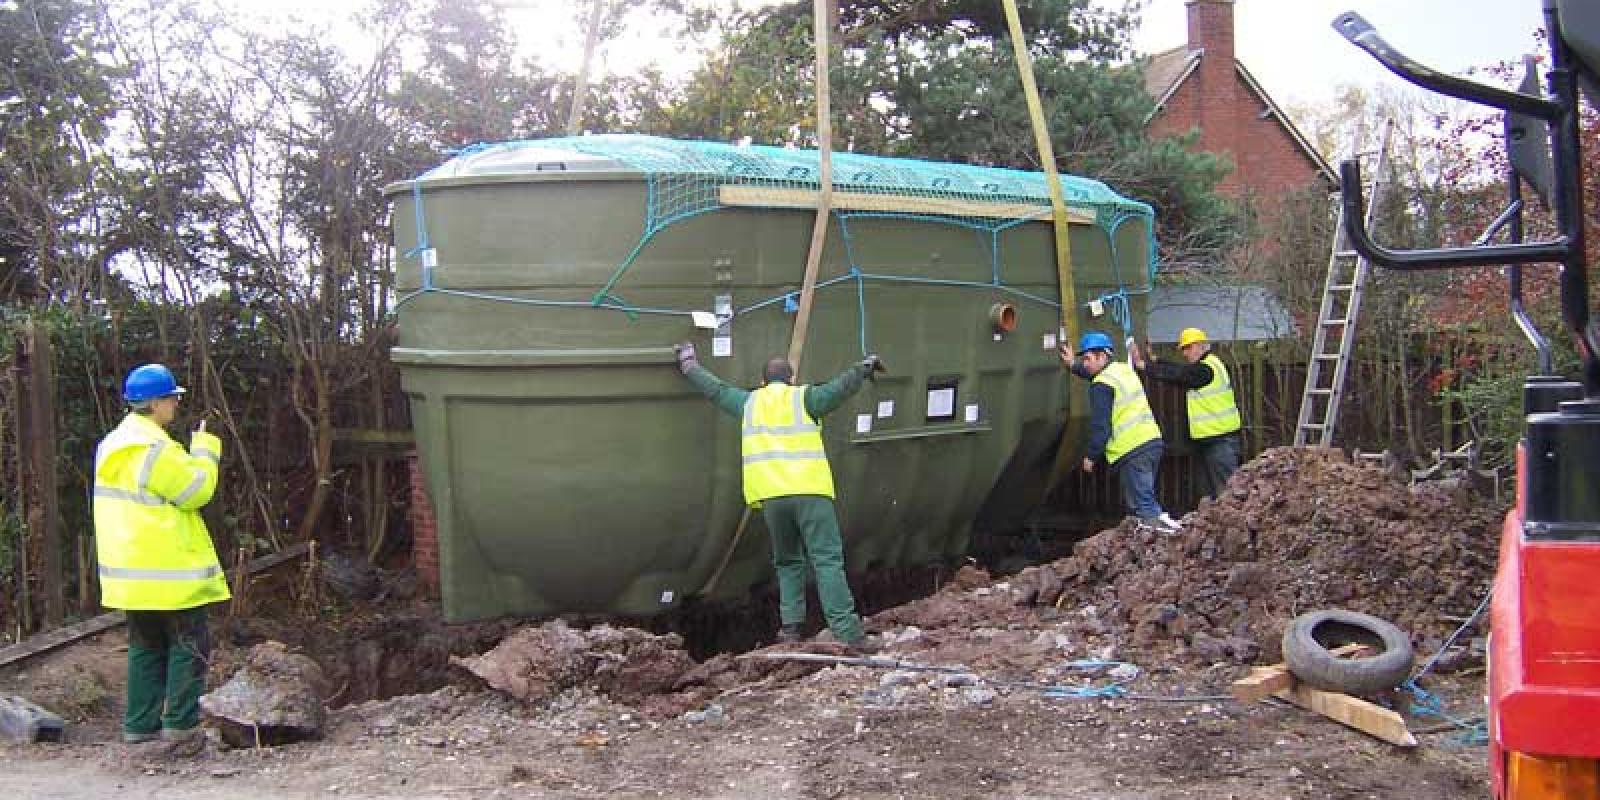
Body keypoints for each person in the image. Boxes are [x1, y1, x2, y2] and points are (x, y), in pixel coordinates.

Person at [674, 343, 882, 652]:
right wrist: (864, 368)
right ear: (791, 379)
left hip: (773, 498)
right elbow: (839, 389)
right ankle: (848, 632)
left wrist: (689, 365)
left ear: (762, 382)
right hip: (810, 493)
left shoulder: (749, 403)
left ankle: (790, 630)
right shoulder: (805, 398)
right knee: (826, 561)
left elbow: (716, 391)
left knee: (787, 562)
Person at [94, 364, 229, 749]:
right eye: (172, 398)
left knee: (146, 647)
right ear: (154, 403)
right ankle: (181, 728)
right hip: (170, 574)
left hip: (132, 574)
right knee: (190, 645)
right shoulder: (153, 448)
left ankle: (139, 727)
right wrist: (204, 450)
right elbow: (196, 491)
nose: (175, 404)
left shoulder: (114, 444)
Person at [1059, 332, 1181, 534]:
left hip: (1132, 450)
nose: (1086, 363)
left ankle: (1171, 538)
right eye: (1084, 359)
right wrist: (1073, 365)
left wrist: (1090, 457)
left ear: (1103, 356)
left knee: (1145, 508)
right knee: (1142, 503)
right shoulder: (1123, 371)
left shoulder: (1101, 386)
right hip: (1151, 443)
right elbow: (1094, 373)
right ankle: (1150, 544)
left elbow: (1101, 428)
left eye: (1088, 358)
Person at [1131, 327, 1242, 500]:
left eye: (1187, 348)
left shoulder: (1205, 370)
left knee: (1226, 494)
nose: (1184, 353)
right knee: (1213, 494)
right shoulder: (1209, 364)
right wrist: (1156, 360)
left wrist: (1145, 366)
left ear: (1199, 345)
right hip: (1214, 441)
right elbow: (1181, 369)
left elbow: (1180, 374)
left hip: (1220, 443)